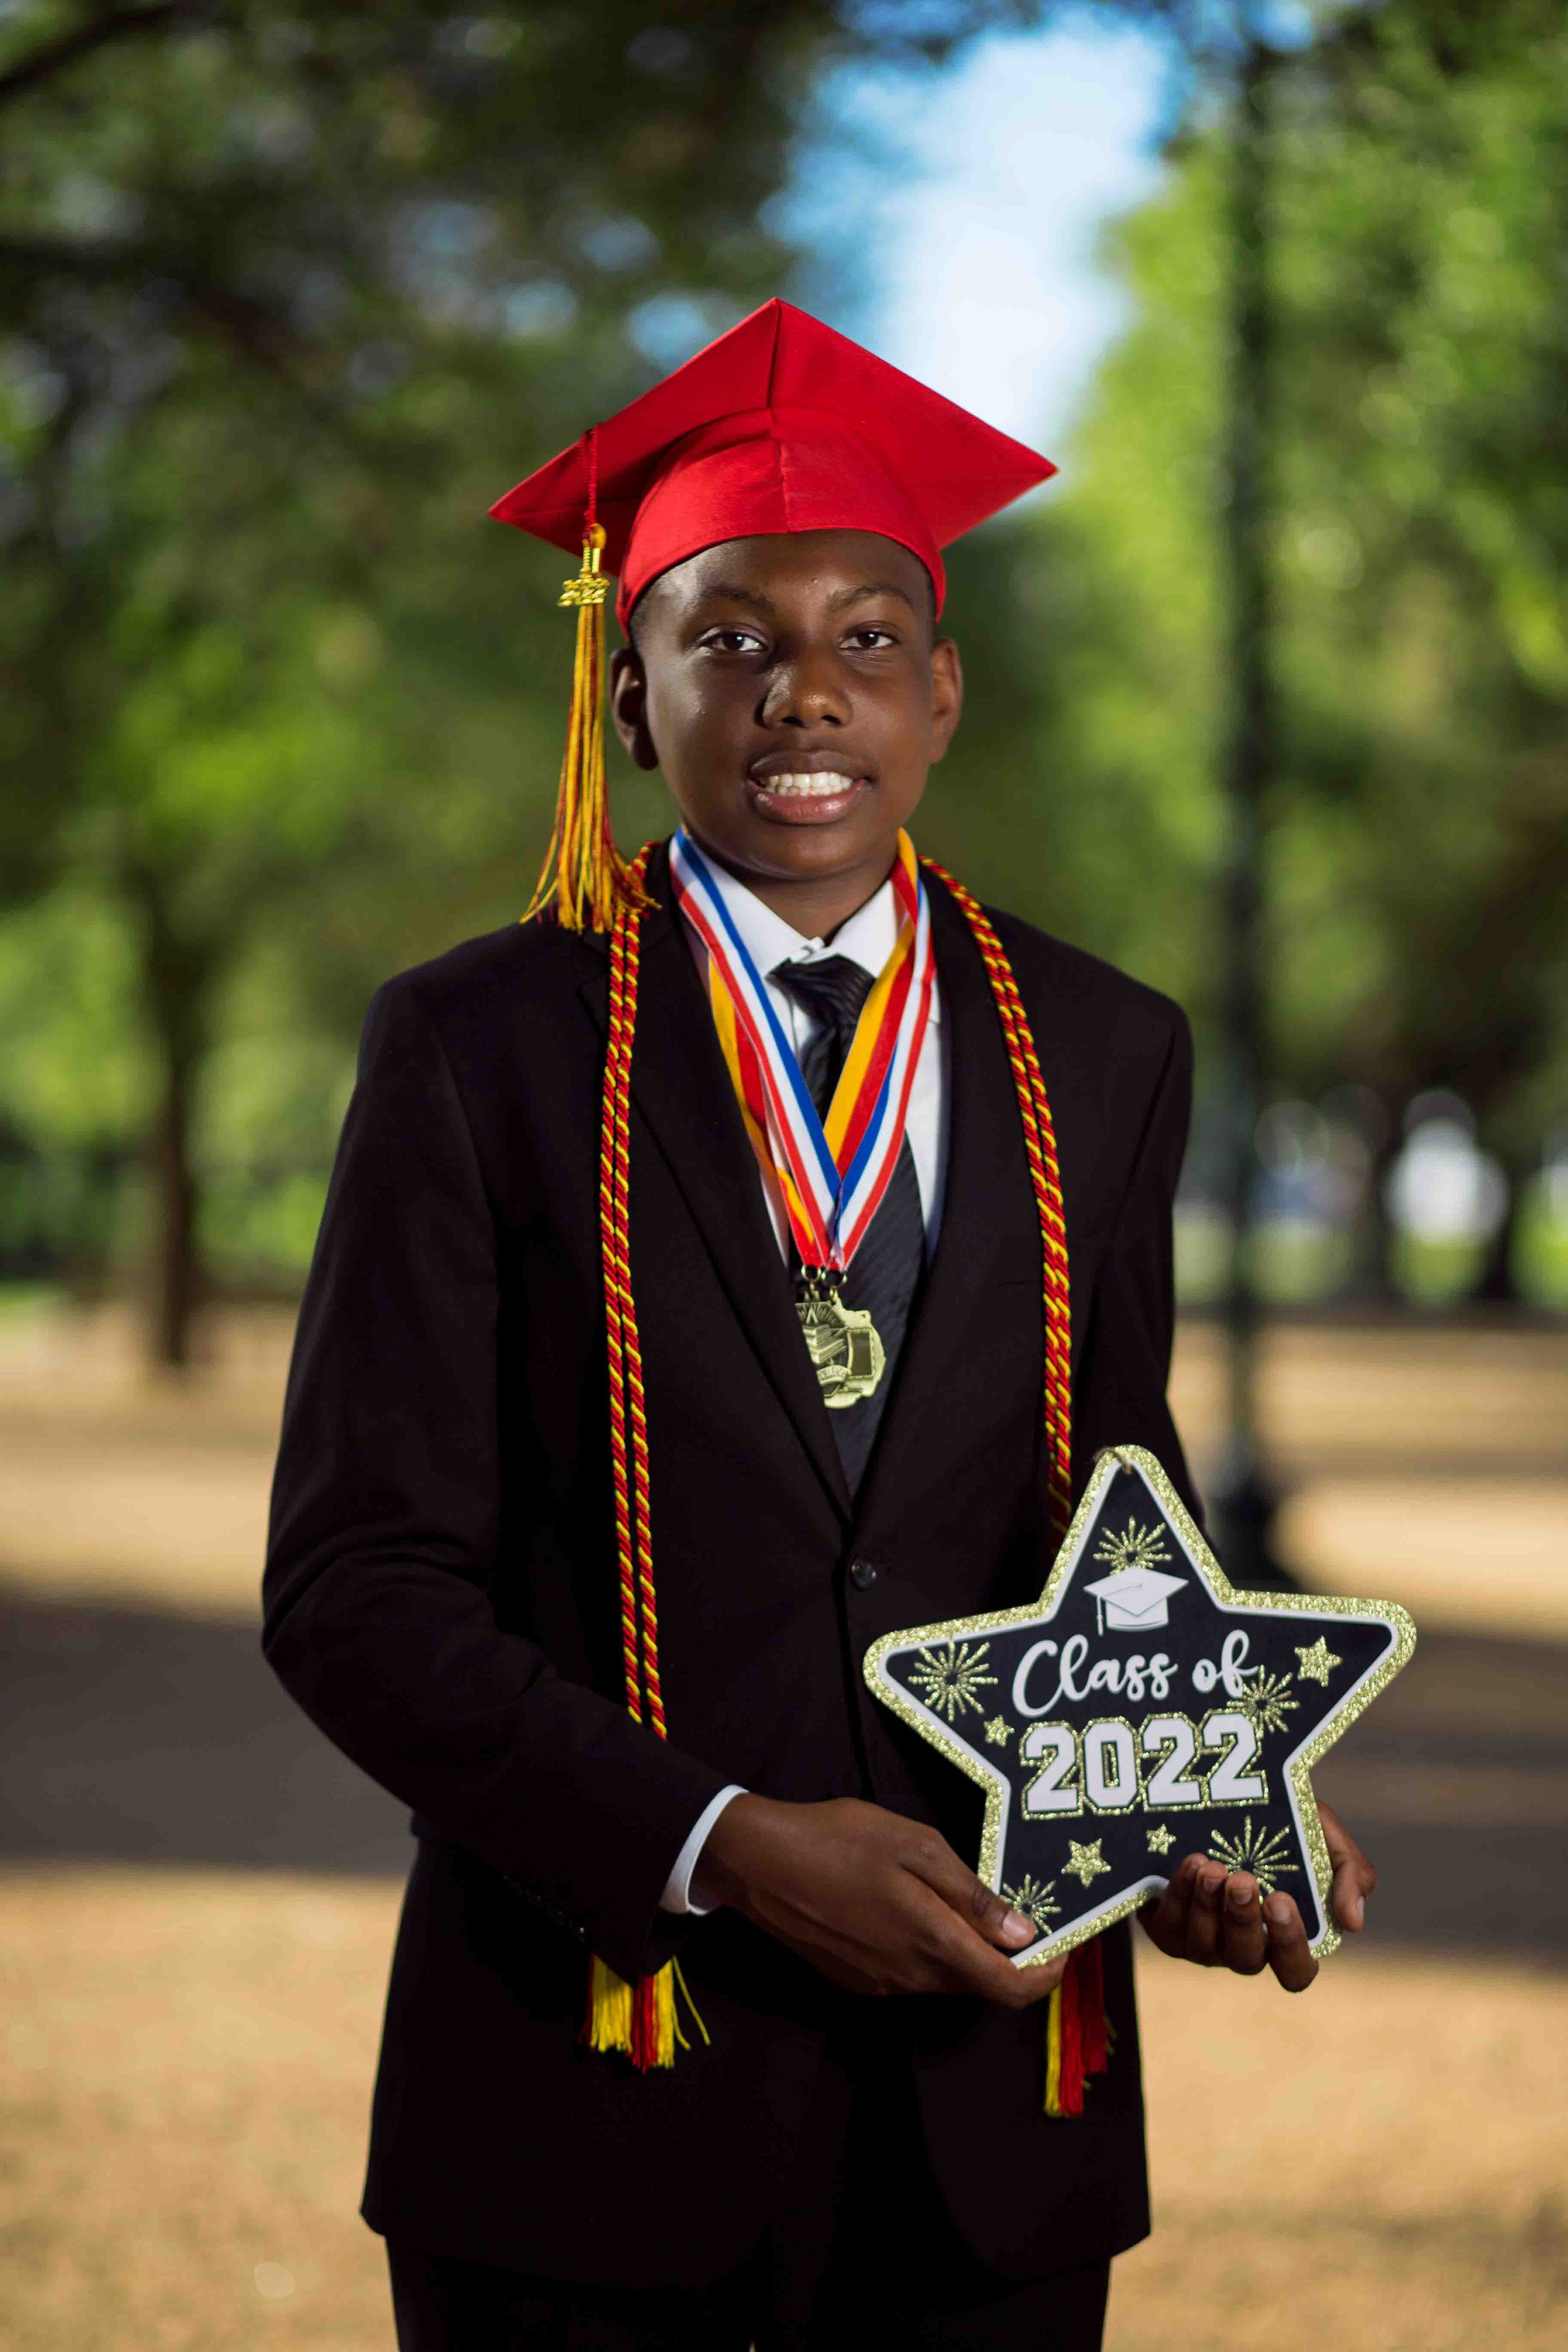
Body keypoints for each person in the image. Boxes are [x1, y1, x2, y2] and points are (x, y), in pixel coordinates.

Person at [262, 299, 1377, 2352]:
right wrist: (721, 1847)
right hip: (588, 2072)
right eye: (730, 638)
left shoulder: (1105, 1048)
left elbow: (1113, 1526)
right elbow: (352, 1591)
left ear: (942, 693)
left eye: (867, 638)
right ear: (626, 692)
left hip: (996, 2098)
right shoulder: (480, 1046)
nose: (804, 693)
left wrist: (1201, 1812)